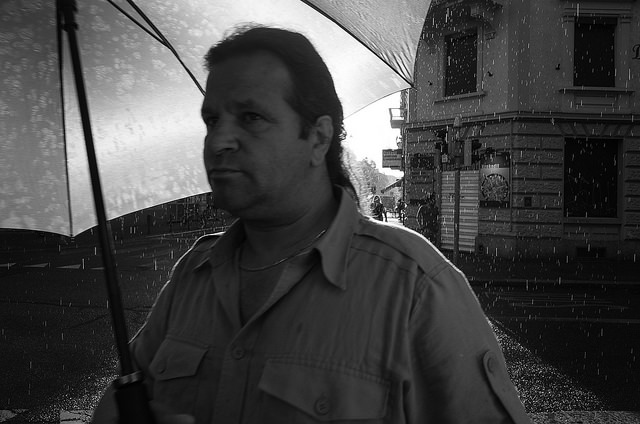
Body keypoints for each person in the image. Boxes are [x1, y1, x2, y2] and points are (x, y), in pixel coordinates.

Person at [92, 25, 530, 424]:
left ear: (318, 137)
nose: (219, 140)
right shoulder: (192, 276)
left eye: (251, 117)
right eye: (211, 120)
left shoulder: (416, 287)